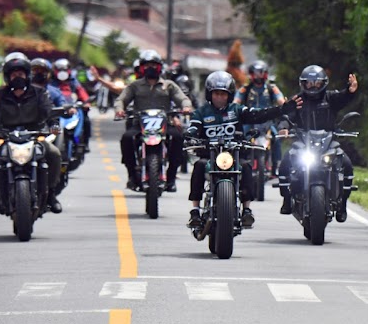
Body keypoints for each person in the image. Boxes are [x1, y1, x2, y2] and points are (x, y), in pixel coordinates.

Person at [185, 70, 301, 229]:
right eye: (216, 93)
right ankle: (195, 211)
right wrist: (190, 135)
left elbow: (261, 114)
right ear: (209, 94)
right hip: (210, 157)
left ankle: (247, 209)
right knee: (198, 166)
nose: (220, 97)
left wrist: (283, 109)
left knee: (246, 166)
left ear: (230, 95)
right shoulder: (201, 112)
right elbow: (193, 127)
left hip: (234, 157)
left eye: (223, 94)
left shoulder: (237, 110)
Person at [0, 53, 63, 214]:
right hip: (7, 137)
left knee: (54, 154)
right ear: (7, 77)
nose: (17, 77)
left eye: (20, 74)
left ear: (27, 75)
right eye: (13, 74)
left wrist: (54, 124)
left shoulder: (40, 94)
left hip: (34, 136)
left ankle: (51, 194)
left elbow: (49, 112)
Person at [277, 66, 358, 222]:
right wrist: (283, 128)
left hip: (328, 142)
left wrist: (350, 91)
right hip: (303, 143)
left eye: (317, 82)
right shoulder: (298, 100)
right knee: (285, 163)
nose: (313, 86)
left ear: (323, 83)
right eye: (309, 83)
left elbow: (344, 98)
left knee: (346, 164)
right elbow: (286, 115)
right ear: (303, 84)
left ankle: (342, 206)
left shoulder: (330, 98)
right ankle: (287, 200)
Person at [114, 50, 191, 192]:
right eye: (147, 65)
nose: (151, 68)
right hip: (140, 124)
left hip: (164, 124)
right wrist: (120, 109)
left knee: (178, 137)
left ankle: (172, 177)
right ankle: (132, 175)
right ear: (142, 67)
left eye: (154, 65)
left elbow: (182, 98)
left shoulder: (169, 85)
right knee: (126, 138)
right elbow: (121, 99)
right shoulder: (134, 85)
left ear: (160, 67)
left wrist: (186, 107)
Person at [234, 60, 286, 176]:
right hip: (250, 120)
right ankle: (239, 163)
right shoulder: (245, 88)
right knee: (241, 138)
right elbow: (235, 101)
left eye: (260, 72)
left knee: (276, 138)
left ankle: (276, 165)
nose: (258, 75)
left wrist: (284, 106)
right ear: (251, 74)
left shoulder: (271, 87)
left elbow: (280, 99)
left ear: (265, 73)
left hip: (267, 120)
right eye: (256, 72)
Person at [50, 58, 91, 153]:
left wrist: (86, 102)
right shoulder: (51, 82)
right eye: (59, 69)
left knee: (86, 120)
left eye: (64, 69)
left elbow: (81, 91)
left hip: (73, 108)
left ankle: (85, 143)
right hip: (56, 109)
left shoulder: (73, 81)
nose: (62, 72)